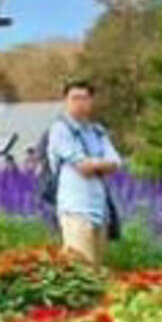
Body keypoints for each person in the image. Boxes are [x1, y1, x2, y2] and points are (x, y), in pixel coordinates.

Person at [47, 79, 125, 264]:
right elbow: (83, 168)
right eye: (74, 98)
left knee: (97, 270)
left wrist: (95, 164)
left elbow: (116, 162)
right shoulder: (60, 129)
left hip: (100, 210)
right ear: (66, 101)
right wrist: (100, 164)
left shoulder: (97, 131)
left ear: (91, 101)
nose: (79, 103)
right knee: (80, 268)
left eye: (84, 98)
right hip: (75, 209)